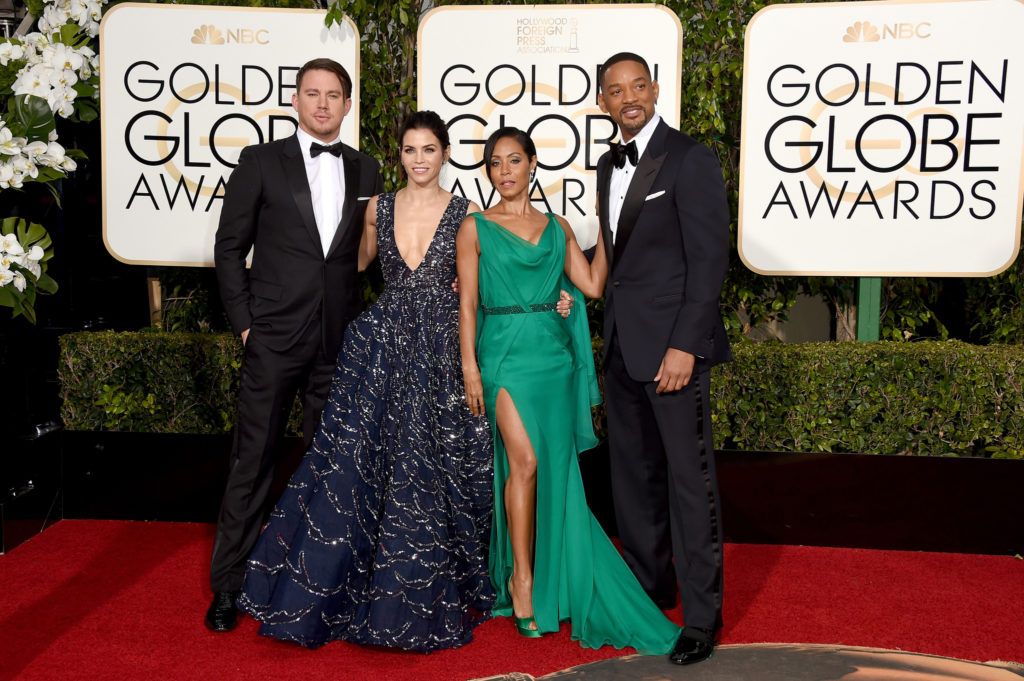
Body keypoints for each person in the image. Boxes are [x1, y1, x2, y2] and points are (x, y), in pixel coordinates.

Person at [236, 111, 507, 651]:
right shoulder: (375, 209)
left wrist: (555, 299)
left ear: (445, 153)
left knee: (432, 465)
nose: (420, 159)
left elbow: (495, 280)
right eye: (410, 150)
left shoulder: (469, 213)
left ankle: (417, 584)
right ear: (399, 156)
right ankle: (350, 580)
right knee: (360, 467)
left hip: (440, 351)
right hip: (380, 348)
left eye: (430, 149)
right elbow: (342, 268)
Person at [456, 127, 681, 654]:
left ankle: (545, 575)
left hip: (553, 360)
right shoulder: (475, 228)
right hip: (502, 354)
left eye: (515, 160)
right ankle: (523, 580)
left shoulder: (557, 228)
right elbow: (467, 303)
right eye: (495, 162)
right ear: (487, 171)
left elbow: (594, 286)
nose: (505, 170)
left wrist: (609, 229)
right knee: (526, 463)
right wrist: (469, 366)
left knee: (551, 471)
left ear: (533, 165)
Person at [208, 57, 383, 632]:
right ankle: (228, 585)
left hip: (339, 339)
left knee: (330, 465)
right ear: (296, 100)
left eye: (334, 95)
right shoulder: (260, 161)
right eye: (313, 93)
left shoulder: (367, 169)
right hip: (275, 337)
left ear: (348, 104)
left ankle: (315, 586)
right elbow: (229, 247)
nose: (324, 104)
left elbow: (378, 252)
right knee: (252, 460)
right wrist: (245, 323)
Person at [595, 52, 731, 665]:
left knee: (687, 481)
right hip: (622, 346)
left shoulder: (689, 157)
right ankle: (652, 589)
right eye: (615, 90)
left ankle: (702, 617)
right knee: (633, 481)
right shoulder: (605, 164)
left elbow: (708, 263)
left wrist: (685, 345)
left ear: (654, 89)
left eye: (637, 86)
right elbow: (614, 261)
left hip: (673, 350)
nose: (628, 97)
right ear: (604, 101)